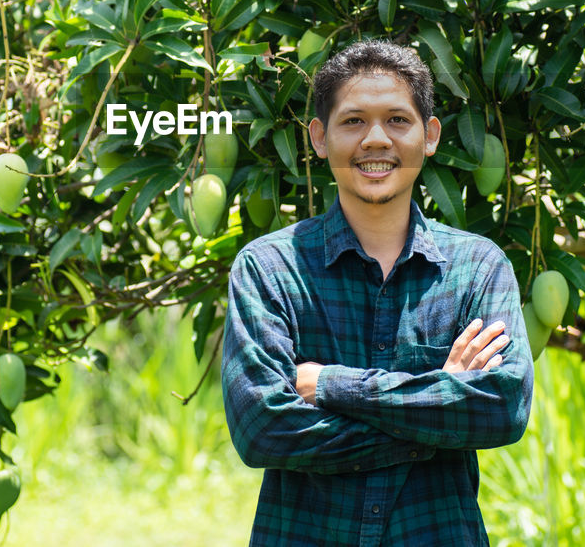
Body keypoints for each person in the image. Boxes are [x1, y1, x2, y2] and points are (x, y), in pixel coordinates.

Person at [221, 38, 534, 546]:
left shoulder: (477, 267)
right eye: (353, 122)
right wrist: (439, 400)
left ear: (429, 135)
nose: (375, 140)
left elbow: (501, 408)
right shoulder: (270, 268)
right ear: (319, 137)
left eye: (397, 120)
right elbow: (261, 429)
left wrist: (331, 387)